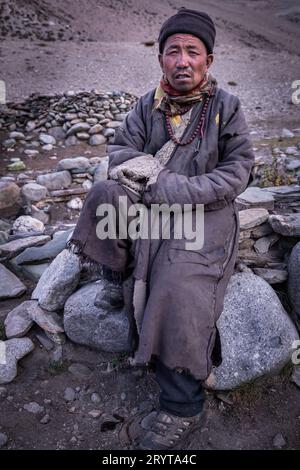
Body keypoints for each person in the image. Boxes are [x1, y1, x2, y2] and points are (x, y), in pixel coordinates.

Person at [67, 8, 254, 450]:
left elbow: (238, 170)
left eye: (193, 51)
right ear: (162, 60)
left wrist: (175, 188)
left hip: (204, 214)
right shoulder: (144, 106)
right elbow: (120, 154)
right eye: (174, 51)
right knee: (104, 196)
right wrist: (147, 181)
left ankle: (182, 404)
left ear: (209, 59)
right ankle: (115, 275)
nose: (183, 60)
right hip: (151, 204)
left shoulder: (227, 108)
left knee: (178, 280)